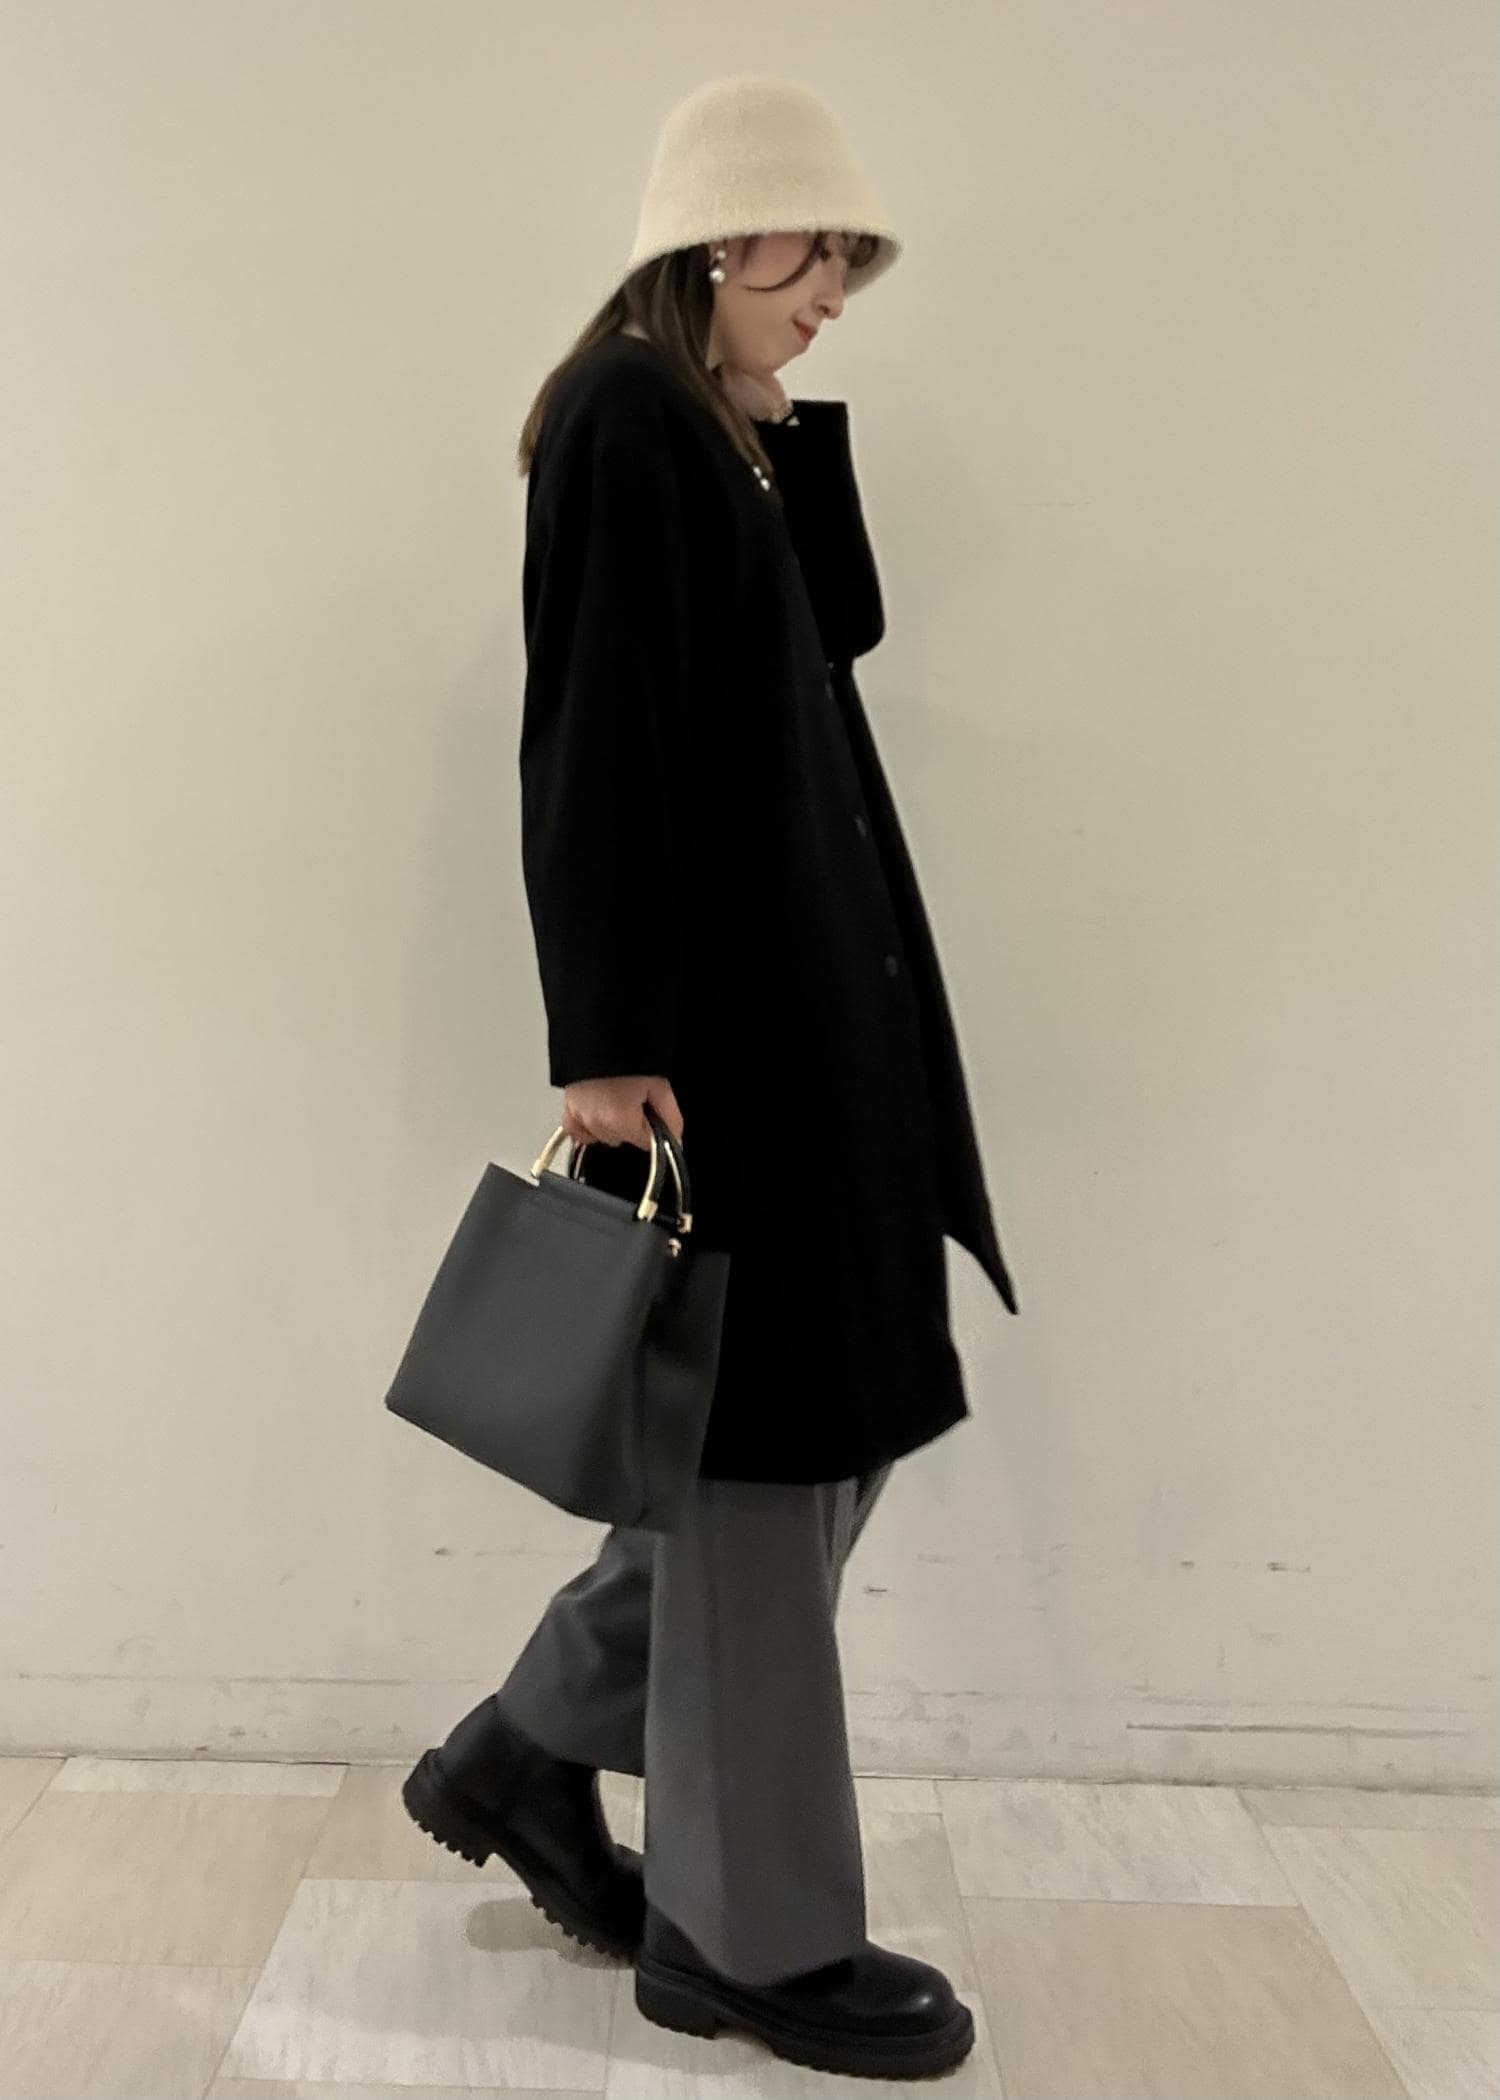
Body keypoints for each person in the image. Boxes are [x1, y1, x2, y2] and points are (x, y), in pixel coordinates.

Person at [401, 74, 1021, 2081]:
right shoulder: (618, 417)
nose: (834, 291)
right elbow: (593, 735)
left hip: (815, 1026)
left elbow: (838, 630)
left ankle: (528, 1750)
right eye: (812, 251)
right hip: (727, 1045)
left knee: (811, 1443)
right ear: (717, 236)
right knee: (765, 1463)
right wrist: (603, 1044)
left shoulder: (710, 426)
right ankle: (745, 1939)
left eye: (846, 262)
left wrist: (775, 416)